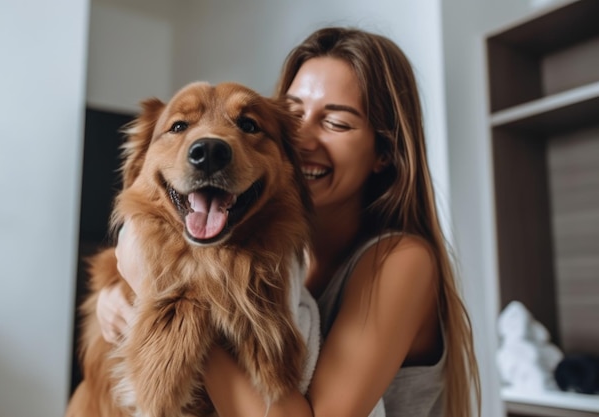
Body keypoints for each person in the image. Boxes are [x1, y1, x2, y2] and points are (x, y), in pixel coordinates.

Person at [97, 26, 481, 417]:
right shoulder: (276, 258)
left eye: (336, 123)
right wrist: (119, 295)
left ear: (384, 152)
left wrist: (160, 299)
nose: (301, 141)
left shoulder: (401, 261)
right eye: (294, 116)